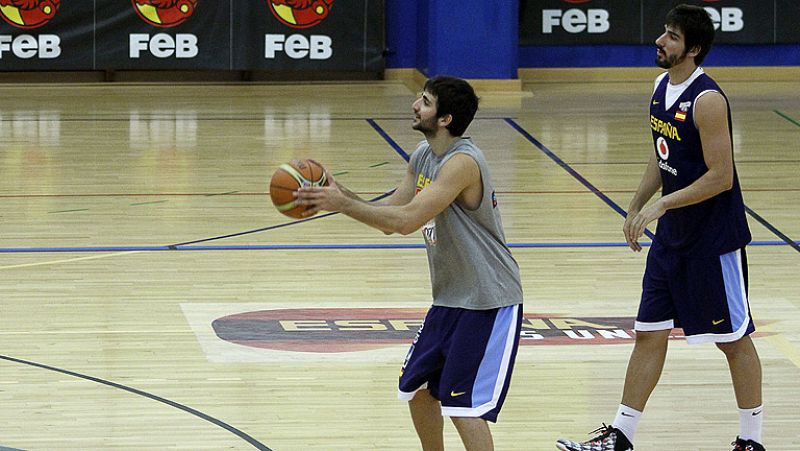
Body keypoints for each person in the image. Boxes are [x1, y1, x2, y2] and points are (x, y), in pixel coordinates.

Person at [555, 5, 764, 451]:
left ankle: (751, 440)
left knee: (733, 340)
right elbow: (661, 155)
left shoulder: (708, 100)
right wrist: (636, 206)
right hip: (672, 239)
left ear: (692, 50)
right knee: (648, 332)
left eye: (671, 36)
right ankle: (621, 435)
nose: (660, 41)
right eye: (663, 32)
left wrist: (662, 205)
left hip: (712, 241)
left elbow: (721, 175)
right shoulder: (658, 87)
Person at [296, 76, 523, 451]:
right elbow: (392, 213)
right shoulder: (422, 155)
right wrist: (340, 195)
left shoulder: (462, 163)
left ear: (446, 118)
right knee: (417, 389)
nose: (416, 105)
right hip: (451, 297)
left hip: (488, 298)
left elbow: (406, 222)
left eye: (426, 101)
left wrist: (343, 205)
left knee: (462, 407)